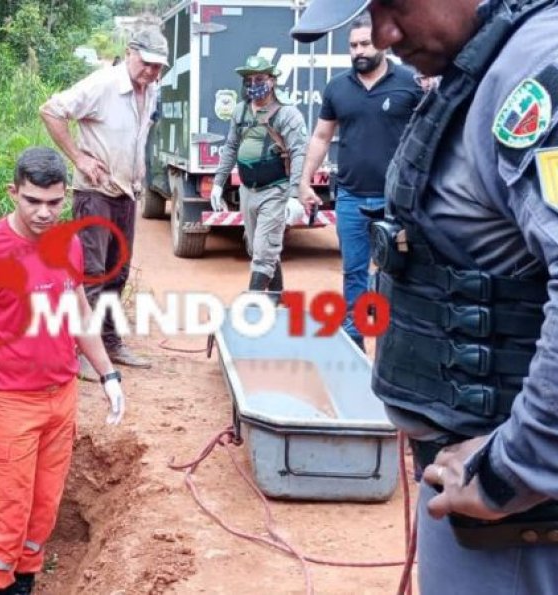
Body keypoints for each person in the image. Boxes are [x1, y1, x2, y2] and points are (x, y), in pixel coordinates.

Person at [293, 0, 558, 593]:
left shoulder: (537, 68)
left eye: (394, 4)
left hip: (517, 521)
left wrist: (511, 471)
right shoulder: (487, 60)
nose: (382, 35)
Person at [0, 147, 126, 595]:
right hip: (11, 405)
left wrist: (107, 373)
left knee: (42, 515)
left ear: (67, 197)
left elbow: (78, 311)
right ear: (13, 192)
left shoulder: (69, 243)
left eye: (54, 202)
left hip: (62, 398)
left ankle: (23, 587)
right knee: (9, 520)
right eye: (33, 201)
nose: (44, 213)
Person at [40, 27, 170, 376]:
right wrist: (78, 158)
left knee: (118, 272)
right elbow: (51, 111)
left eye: (158, 67)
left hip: (126, 194)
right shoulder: (103, 84)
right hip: (95, 194)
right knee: (92, 275)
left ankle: (110, 343)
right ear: (130, 52)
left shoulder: (151, 90)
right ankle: (82, 352)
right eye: (147, 64)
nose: (151, 72)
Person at [297, 12, 423, 350]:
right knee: (353, 271)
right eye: (353, 46)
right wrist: (305, 181)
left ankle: (393, 344)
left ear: (381, 43)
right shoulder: (337, 88)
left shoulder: (409, 82)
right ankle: (354, 340)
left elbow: (429, 134)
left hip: (396, 200)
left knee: (397, 272)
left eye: (365, 44)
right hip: (352, 197)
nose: (358, 51)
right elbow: (322, 137)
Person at [209, 55, 308, 294]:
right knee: (256, 248)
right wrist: (218, 183)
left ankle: (251, 304)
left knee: (264, 253)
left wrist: (294, 195)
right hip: (247, 190)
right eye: (249, 79)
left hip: (275, 189)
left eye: (260, 78)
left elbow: (299, 153)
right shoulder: (241, 111)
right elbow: (231, 147)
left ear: (272, 80)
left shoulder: (287, 113)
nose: (254, 84)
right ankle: (277, 294)